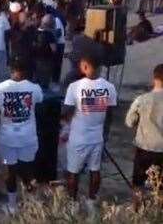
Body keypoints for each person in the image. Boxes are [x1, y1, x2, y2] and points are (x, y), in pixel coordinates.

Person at [63, 55, 117, 212]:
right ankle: (91, 202)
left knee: (73, 171)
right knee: (95, 170)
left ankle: (73, 204)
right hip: (97, 137)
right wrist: (104, 133)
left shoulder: (74, 86)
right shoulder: (109, 87)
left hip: (78, 137)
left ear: (85, 66)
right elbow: (110, 114)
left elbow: (67, 111)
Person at [0, 58, 43, 214]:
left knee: (10, 171)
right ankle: (32, 204)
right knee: (29, 171)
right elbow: (39, 109)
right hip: (28, 137)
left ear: (10, 68)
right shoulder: (35, 89)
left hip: (8, 138)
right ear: (26, 70)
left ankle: (12, 206)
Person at [125, 64, 163, 197]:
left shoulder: (141, 100)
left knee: (138, 186)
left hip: (144, 150)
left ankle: (137, 215)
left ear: (154, 79)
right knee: (160, 187)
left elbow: (129, 122)